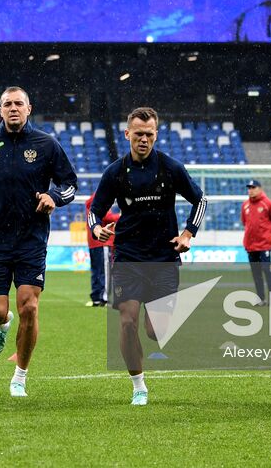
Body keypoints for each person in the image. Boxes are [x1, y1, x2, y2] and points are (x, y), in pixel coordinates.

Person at [0, 86, 78, 397]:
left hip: (31, 239)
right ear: (0, 111)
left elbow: (70, 184)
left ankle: (19, 377)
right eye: (8, 104)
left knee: (30, 307)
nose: (13, 108)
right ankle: (3, 324)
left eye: (19, 104)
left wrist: (53, 197)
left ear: (29, 108)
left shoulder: (46, 145)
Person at [89, 106, 206, 406]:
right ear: (127, 134)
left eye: (149, 134)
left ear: (156, 135)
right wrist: (97, 229)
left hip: (164, 257)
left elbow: (200, 199)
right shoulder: (114, 172)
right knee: (127, 321)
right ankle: (138, 385)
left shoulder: (170, 167)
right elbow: (94, 211)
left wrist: (188, 234)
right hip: (128, 255)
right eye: (138, 134)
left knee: (156, 331)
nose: (144, 139)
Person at [241, 179, 271, 306]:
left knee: (267, 270)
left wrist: (268, 234)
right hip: (251, 245)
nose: (251, 190)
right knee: (256, 273)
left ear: (260, 188)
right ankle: (261, 298)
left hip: (264, 244)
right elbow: (244, 222)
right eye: (249, 188)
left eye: (253, 187)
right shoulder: (245, 205)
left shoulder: (267, 203)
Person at [84, 194, 119, 307]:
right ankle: (104, 297)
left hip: (94, 243)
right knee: (105, 270)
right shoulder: (99, 200)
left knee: (97, 271)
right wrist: (120, 216)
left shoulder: (92, 203)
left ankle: (97, 297)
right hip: (103, 242)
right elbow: (108, 217)